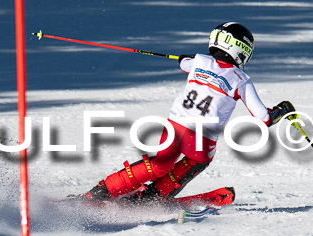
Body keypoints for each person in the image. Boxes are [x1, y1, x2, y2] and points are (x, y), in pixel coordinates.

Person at [83, 22, 295, 205]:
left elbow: (184, 63)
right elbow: (263, 118)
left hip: (175, 125)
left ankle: (102, 191)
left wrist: (186, 59)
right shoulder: (241, 79)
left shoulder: (200, 61)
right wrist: (282, 111)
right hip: (201, 137)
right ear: (241, 50)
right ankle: (153, 197)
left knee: (160, 164)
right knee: (198, 161)